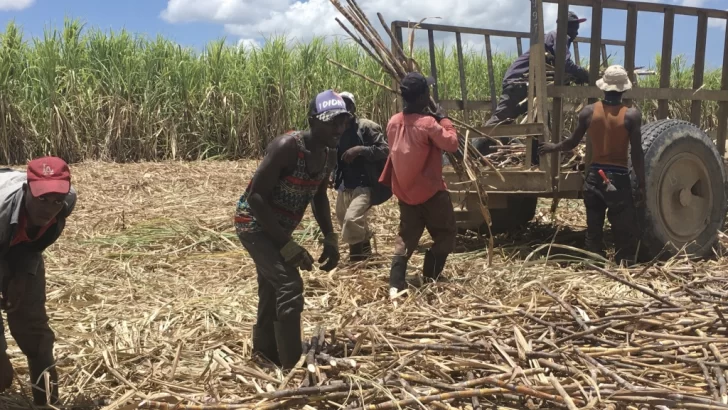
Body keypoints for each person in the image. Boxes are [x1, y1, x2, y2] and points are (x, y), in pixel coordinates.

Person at [234, 90, 351, 369]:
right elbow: (256, 198)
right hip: (253, 224)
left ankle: (264, 353)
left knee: (272, 288)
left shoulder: (328, 155)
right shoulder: (287, 147)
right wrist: (287, 245)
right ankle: (291, 364)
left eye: (343, 121)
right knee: (289, 284)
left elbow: (319, 196)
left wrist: (330, 238)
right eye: (332, 121)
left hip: (278, 228)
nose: (338, 128)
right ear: (313, 121)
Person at [539, 65, 645, 264]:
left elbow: (571, 142)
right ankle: (623, 263)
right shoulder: (631, 115)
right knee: (622, 227)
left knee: (593, 227)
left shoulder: (588, 112)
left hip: (595, 177)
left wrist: (553, 147)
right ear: (623, 89)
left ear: (603, 88)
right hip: (618, 179)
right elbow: (637, 153)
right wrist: (641, 182)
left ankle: (593, 262)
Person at [0, 156, 77, 406]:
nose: (49, 208)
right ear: (26, 190)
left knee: (34, 329)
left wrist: (22, 277)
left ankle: (47, 403)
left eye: (56, 200)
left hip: (16, 242)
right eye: (41, 198)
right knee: (2, 377)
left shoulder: (66, 202)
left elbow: (35, 244)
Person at [379, 73, 459, 299]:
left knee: (406, 237)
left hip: (405, 193)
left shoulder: (393, 122)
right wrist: (444, 119)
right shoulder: (428, 124)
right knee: (446, 234)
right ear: (423, 96)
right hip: (431, 193)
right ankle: (431, 276)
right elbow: (451, 144)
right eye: (428, 92)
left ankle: (395, 283)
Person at [485, 11, 591, 127]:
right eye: (575, 28)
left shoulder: (553, 38)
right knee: (498, 123)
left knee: (540, 121)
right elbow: (565, 64)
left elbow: (558, 66)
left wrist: (574, 77)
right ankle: (472, 143)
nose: (577, 32)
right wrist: (585, 75)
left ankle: (536, 145)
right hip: (519, 81)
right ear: (566, 27)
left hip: (523, 83)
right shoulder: (560, 36)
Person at [333, 91, 390, 262]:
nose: (345, 109)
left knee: (351, 220)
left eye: (347, 105)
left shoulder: (366, 127)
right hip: (345, 185)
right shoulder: (336, 130)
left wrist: (360, 150)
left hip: (365, 185)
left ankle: (356, 260)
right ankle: (367, 257)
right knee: (343, 218)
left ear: (353, 108)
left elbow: (385, 150)